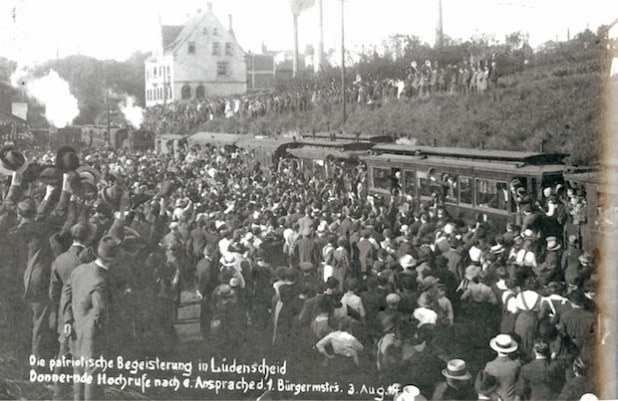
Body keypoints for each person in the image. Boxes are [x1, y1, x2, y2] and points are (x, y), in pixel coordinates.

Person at [60, 235, 123, 401]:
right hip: (94, 335)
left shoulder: (79, 270)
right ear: (114, 259)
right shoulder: (101, 280)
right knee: (92, 377)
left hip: (76, 329)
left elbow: (66, 294)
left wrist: (67, 320)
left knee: (79, 374)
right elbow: (101, 310)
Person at [484, 334, 522, 401]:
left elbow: (486, 387)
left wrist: (496, 397)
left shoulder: (489, 366)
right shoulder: (516, 365)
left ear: (496, 349)